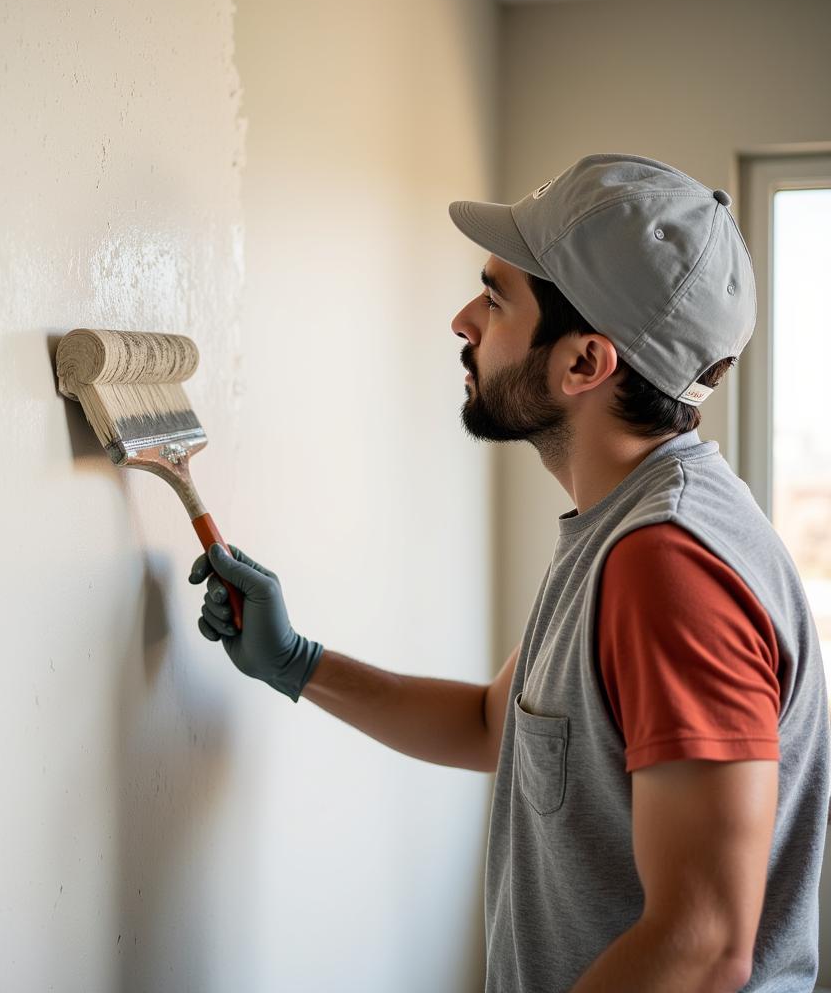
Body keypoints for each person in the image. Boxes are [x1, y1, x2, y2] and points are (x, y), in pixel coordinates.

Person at [188, 153, 831, 993]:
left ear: (583, 364)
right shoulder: (621, 528)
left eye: (495, 300)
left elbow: (705, 943)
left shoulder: (670, 566)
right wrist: (296, 662)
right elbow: (500, 728)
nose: (463, 320)